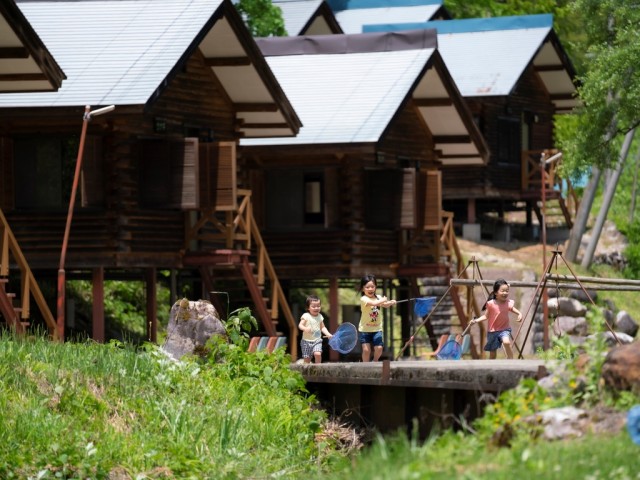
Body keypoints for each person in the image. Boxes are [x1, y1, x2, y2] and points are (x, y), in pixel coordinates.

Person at [471, 278, 522, 359]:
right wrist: (476, 320)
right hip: (492, 331)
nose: (505, 293)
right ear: (496, 293)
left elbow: (512, 309)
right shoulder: (491, 304)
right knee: (492, 353)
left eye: (507, 291)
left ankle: (511, 361)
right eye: (503, 291)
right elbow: (485, 316)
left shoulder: (508, 302)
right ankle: (492, 366)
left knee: (507, 342)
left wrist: (519, 313)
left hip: (504, 329)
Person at [358, 274, 396, 362]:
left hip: (377, 329)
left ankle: (375, 361)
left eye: (372, 286)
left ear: (375, 287)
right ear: (363, 288)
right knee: (366, 350)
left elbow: (384, 305)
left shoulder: (378, 297)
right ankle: (365, 366)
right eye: (367, 287)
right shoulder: (363, 299)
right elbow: (375, 304)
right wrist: (383, 300)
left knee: (379, 348)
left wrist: (391, 302)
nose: (370, 289)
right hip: (365, 329)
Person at [298, 294, 332, 363]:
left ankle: (318, 368)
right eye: (313, 306)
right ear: (308, 308)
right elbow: (300, 325)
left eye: (318, 306)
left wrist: (328, 334)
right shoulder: (306, 316)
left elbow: (323, 327)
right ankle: (306, 372)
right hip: (306, 341)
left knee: (317, 354)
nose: (316, 308)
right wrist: (305, 328)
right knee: (307, 359)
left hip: (317, 340)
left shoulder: (320, 316)